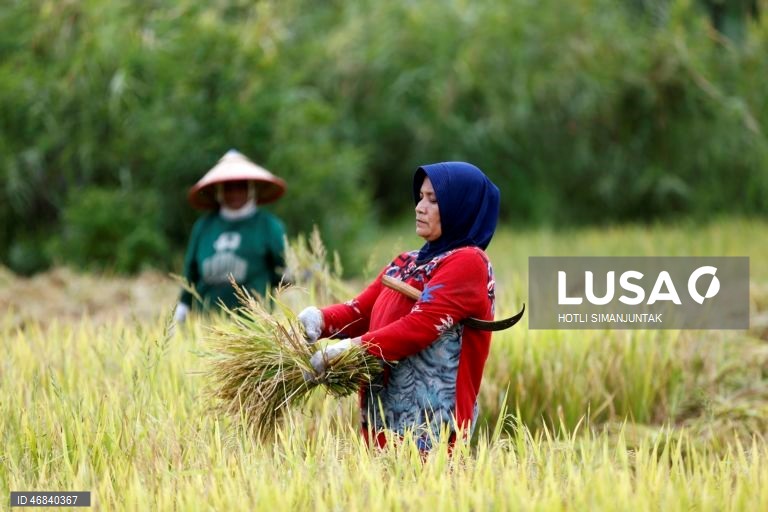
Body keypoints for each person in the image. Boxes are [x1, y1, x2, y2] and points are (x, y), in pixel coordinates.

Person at [299, 161, 500, 450]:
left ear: (461, 207)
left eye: (433, 200)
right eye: (420, 197)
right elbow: (362, 311)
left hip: (432, 428)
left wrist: (349, 350)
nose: (420, 207)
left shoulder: (469, 262)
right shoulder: (405, 262)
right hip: (384, 416)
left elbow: (420, 326)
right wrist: (318, 321)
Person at [173, 150, 287, 323]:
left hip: (253, 323)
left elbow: (283, 271)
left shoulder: (269, 226)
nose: (234, 193)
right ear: (218, 190)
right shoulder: (204, 226)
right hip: (207, 322)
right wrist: (182, 307)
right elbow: (191, 272)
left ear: (251, 188)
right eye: (228, 187)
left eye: (240, 186)